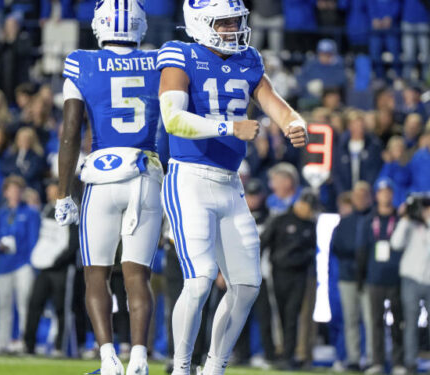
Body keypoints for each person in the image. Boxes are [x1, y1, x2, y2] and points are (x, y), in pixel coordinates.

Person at [156, 1, 308, 373]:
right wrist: (228, 128)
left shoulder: (248, 58)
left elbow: (275, 103)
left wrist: (294, 121)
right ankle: (180, 367)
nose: (231, 28)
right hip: (188, 178)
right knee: (200, 278)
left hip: (229, 184)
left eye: (235, 20)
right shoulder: (180, 52)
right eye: (222, 21)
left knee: (247, 284)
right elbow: (172, 118)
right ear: (199, 22)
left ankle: (214, 366)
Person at [55, 1, 163, 373]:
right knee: (137, 276)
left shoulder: (82, 62)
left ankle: (108, 358)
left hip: (102, 174)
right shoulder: (158, 60)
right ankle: (140, 359)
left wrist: (62, 192)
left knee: (96, 273)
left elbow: (70, 133)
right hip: (146, 173)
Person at [391, 194, 430, 374]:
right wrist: (405, 218)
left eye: (428, 206)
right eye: (422, 206)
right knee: (410, 324)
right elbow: (396, 243)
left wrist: (429, 218)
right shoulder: (410, 224)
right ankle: (410, 364)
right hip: (411, 279)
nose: (425, 209)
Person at [260, 189, 318, 369]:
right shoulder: (281, 220)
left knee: (293, 314)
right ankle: (278, 352)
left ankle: (288, 355)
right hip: (279, 272)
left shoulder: (309, 225)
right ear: (301, 204)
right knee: (280, 314)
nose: (312, 212)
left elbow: (312, 250)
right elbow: (264, 242)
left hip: (299, 274)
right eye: (310, 207)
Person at [25, 181, 78, 356]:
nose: (48, 193)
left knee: (61, 308)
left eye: (52, 190)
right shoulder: (47, 210)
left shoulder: (71, 211)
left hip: (60, 269)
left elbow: (72, 244)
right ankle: (29, 345)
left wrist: (57, 261)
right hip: (44, 268)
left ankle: (58, 348)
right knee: (34, 305)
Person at [358, 178, 405, 375]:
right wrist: (361, 277)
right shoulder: (369, 220)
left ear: (392, 195)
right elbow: (362, 250)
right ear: (376, 195)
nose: (385, 195)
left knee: (398, 324)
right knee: (375, 322)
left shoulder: (401, 220)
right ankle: (377, 361)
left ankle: (397, 363)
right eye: (381, 192)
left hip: (396, 279)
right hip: (374, 278)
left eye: (388, 192)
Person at [330, 181, 374, 371]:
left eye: (364, 195)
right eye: (357, 195)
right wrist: (359, 255)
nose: (360, 199)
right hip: (348, 276)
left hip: (370, 278)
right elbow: (338, 247)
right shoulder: (345, 222)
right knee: (351, 320)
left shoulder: (375, 220)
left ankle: (373, 359)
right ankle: (354, 358)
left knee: (372, 321)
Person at [0, 175, 38, 354]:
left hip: (23, 263)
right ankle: (4, 342)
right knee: (3, 303)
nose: (15, 193)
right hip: (4, 263)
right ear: (5, 192)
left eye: (18, 190)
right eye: (12, 189)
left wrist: (32, 263)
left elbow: (33, 239)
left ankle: (24, 341)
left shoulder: (30, 212)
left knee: (24, 303)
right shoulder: (1, 213)